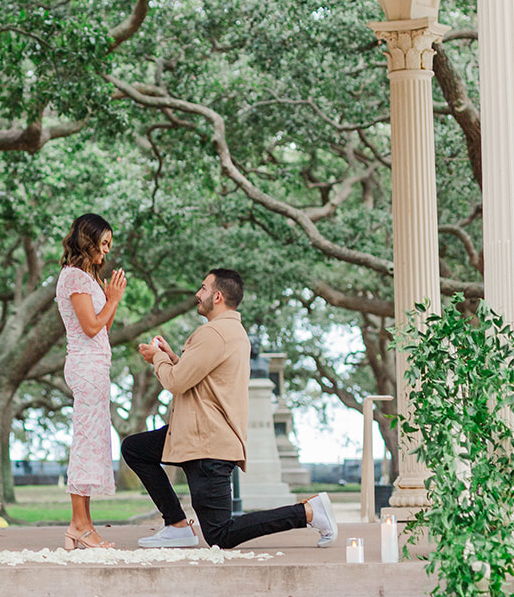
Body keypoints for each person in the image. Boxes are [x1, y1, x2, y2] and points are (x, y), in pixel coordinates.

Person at [122, 268, 338, 550]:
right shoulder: (232, 332)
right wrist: (172, 357)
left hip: (206, 444)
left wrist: (159, 358)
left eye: (203, 288)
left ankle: (308, 512)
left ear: (218, 296)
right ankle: (176, 525)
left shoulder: (213, 333)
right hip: (195, 434)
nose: (197, 294)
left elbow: (176, 383)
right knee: (136, 449)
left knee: (220, 535)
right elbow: (196, 378)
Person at [55, 212, 127, 551]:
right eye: (104, 243)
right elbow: (90, 327)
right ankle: (79, 524)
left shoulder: (89, 278)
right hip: (84, 366)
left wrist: (110, 299)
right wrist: (112, 300)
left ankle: (81, 525)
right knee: (85, 440)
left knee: (93, 439)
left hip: (98, 365)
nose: (107, 251)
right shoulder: (73, 279)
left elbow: (104, 328)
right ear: (89, 240)